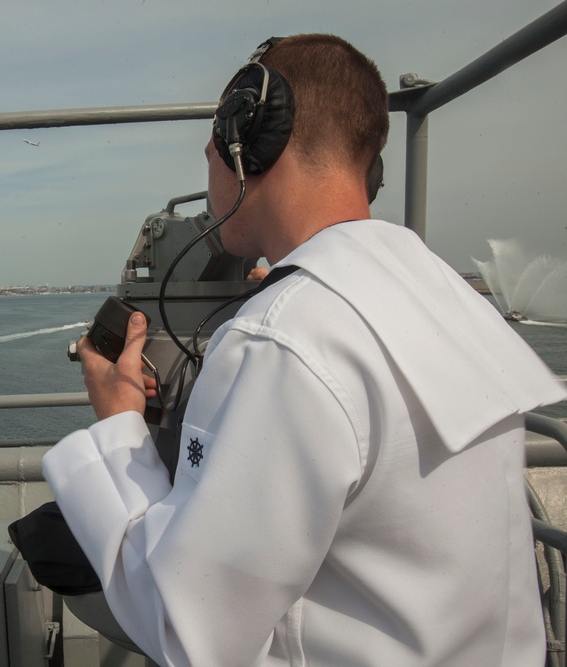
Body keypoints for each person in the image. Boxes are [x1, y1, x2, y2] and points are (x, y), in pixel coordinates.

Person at [42, 34, 567, 666]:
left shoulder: (285, 340)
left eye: (215, 139)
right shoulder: (443, 294)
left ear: (249, 140)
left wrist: (121, 420)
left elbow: (185, 631)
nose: (208, 155)